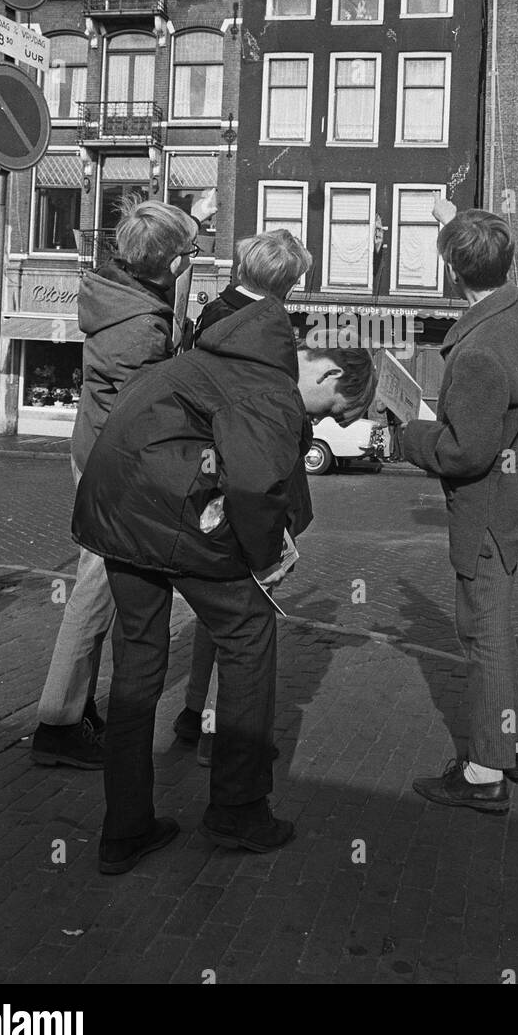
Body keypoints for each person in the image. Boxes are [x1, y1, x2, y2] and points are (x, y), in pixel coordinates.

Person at [71, 299, 376, 873]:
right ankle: (238, 808)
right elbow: (256, 488)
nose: (325, 422)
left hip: (114, 510)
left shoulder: (226, 352)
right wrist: (265, 562)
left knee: (137, 663)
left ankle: (125, 829)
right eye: (335, 410)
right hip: (163, 511)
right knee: (248, 632)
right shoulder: (270, 387)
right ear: (329, 371)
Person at [31, 198, 203, 770]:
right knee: (97, 586)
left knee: (96, 581)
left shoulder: (120, 294)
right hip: (111, 467)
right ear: (169, 263)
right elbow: (148, 412)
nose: (193, 262)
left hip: (91, 452)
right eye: (189, 254)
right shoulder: (140, 331)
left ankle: (73, 708)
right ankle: (57, 721)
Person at [401, 204, 518, 814]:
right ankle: (512, 744)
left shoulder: (479, 353)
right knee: (499, 629)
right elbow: (496, 262)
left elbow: (463, 453)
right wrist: (459, 222)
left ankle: (485, 772)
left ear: (454, 272)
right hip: (514, 503)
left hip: (485, 511)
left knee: (481, 635)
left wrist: (405, 435)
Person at [172, 229, 312, 764]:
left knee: (215, 608)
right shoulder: (258, 324)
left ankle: (193, 714)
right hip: (232, 472)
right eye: (296, 280)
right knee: (236, 604)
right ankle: (216, 730)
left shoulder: (215, 310)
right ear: (286, 283)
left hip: (211, 462)